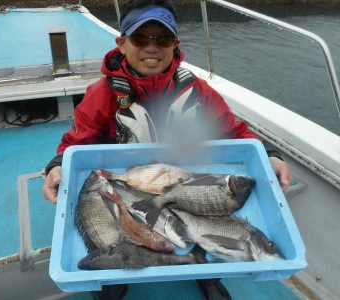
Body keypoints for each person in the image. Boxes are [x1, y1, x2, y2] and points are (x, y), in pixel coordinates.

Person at [42, 0, 292, 299]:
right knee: (120, 230)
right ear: (122, 43)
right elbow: (75, 144)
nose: (152, 47)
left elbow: (234, 131)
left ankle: (206, 273)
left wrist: (271, 154)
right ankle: (115, 273)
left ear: (175, 44)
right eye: (140, 38)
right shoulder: (102, 94)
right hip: (131, 185)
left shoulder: (198, 90)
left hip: (186, 180)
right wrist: (56, 166)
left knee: (204, 225)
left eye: (162, 39)